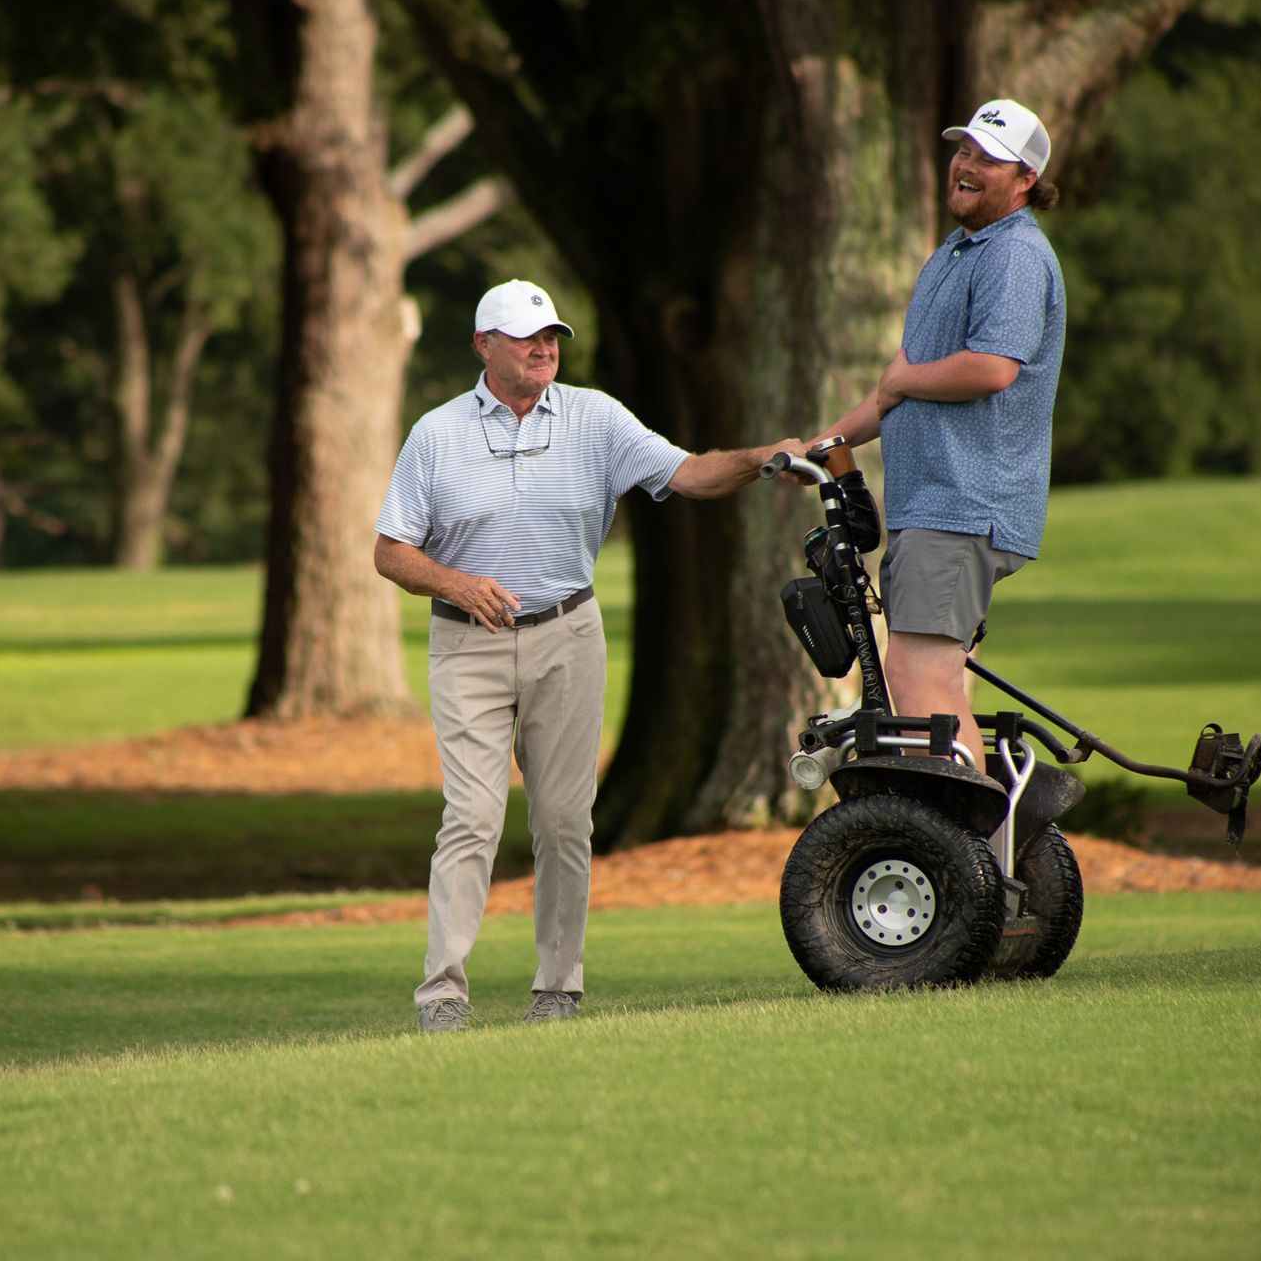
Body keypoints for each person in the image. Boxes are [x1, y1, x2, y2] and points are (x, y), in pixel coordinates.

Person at [374, 278, 803, 1033]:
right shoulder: (436, 434)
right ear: (483, 345)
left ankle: (558, 989)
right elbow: (391, 551)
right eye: (526, 338)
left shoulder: (596, 418)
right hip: (468, 643)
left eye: (551, 337)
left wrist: (761, 457)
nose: (544, 349)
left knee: (565, 820)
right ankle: (442, 994)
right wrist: (457, 583)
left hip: (568, 636)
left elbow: (688, 473)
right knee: (471, 817)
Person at [813, 97, 1066, 773]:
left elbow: (991, 368)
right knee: (928, 681)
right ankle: (974, 834)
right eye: (964, 150)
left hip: (964, 505)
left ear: (1026, 180)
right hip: (931, 506)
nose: (967, 165)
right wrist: (821, 445)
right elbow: (896, 391)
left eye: (990, 159)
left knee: (921, 683)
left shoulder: (1014, 255)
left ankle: (961, 837)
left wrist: (901, 381)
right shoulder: (956, 253)